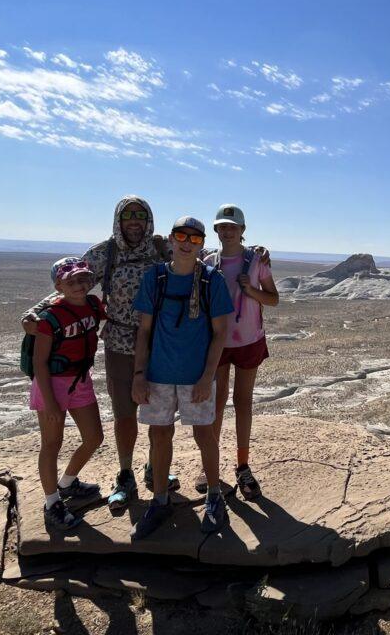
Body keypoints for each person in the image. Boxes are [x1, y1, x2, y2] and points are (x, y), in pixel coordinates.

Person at [21, 196, 269, 510]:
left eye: (140, 215)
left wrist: (256, 251)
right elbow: (73, 281)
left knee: (161, 419)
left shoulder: (159, 248)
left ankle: (157, 470)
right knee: (125, 411)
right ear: (118, 221)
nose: (134, 221)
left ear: (149, 220)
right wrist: (38, 311)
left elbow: (206, 252)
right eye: (128, 216)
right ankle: (126, 474)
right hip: (122, 342)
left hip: (162, 344)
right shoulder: (106, 252)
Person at [130, 216, 234, 539]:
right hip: (159, 375)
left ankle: (215, 498)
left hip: (195, 377)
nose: (187, 243)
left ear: (202, 244)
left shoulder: (210, 282)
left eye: (195, 238)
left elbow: (220, 335)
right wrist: (139, 375)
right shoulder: (156, 278)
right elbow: (144, 330)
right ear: (171, 239)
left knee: (205, 435)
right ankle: (159, 500)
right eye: (181, 236)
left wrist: (207, 378)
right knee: (159, 436)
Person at [198, 204, 279, 499]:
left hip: (249, 341)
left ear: (243, 230)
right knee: (215, 405)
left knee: (242, 402)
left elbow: (273, 298)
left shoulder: (257, 260)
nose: (227, 230)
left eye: (233, 226)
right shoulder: (206, 260)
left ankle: (243, 464)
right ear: (216, 230)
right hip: (218, 342)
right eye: (222, 226)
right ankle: (211, 466)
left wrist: (252, 291)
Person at [30, 257, 106, 531]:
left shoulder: (94, 305)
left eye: (82, 279)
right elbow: (39, 362)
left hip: (80, 380)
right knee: (51, 444)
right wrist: (50, 403)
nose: (78, 285)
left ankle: (67, 483)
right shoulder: (50, 316)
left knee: (95, 437)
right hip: (52, 384)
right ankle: (52, 503)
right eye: (70, 281)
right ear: (58, 286)